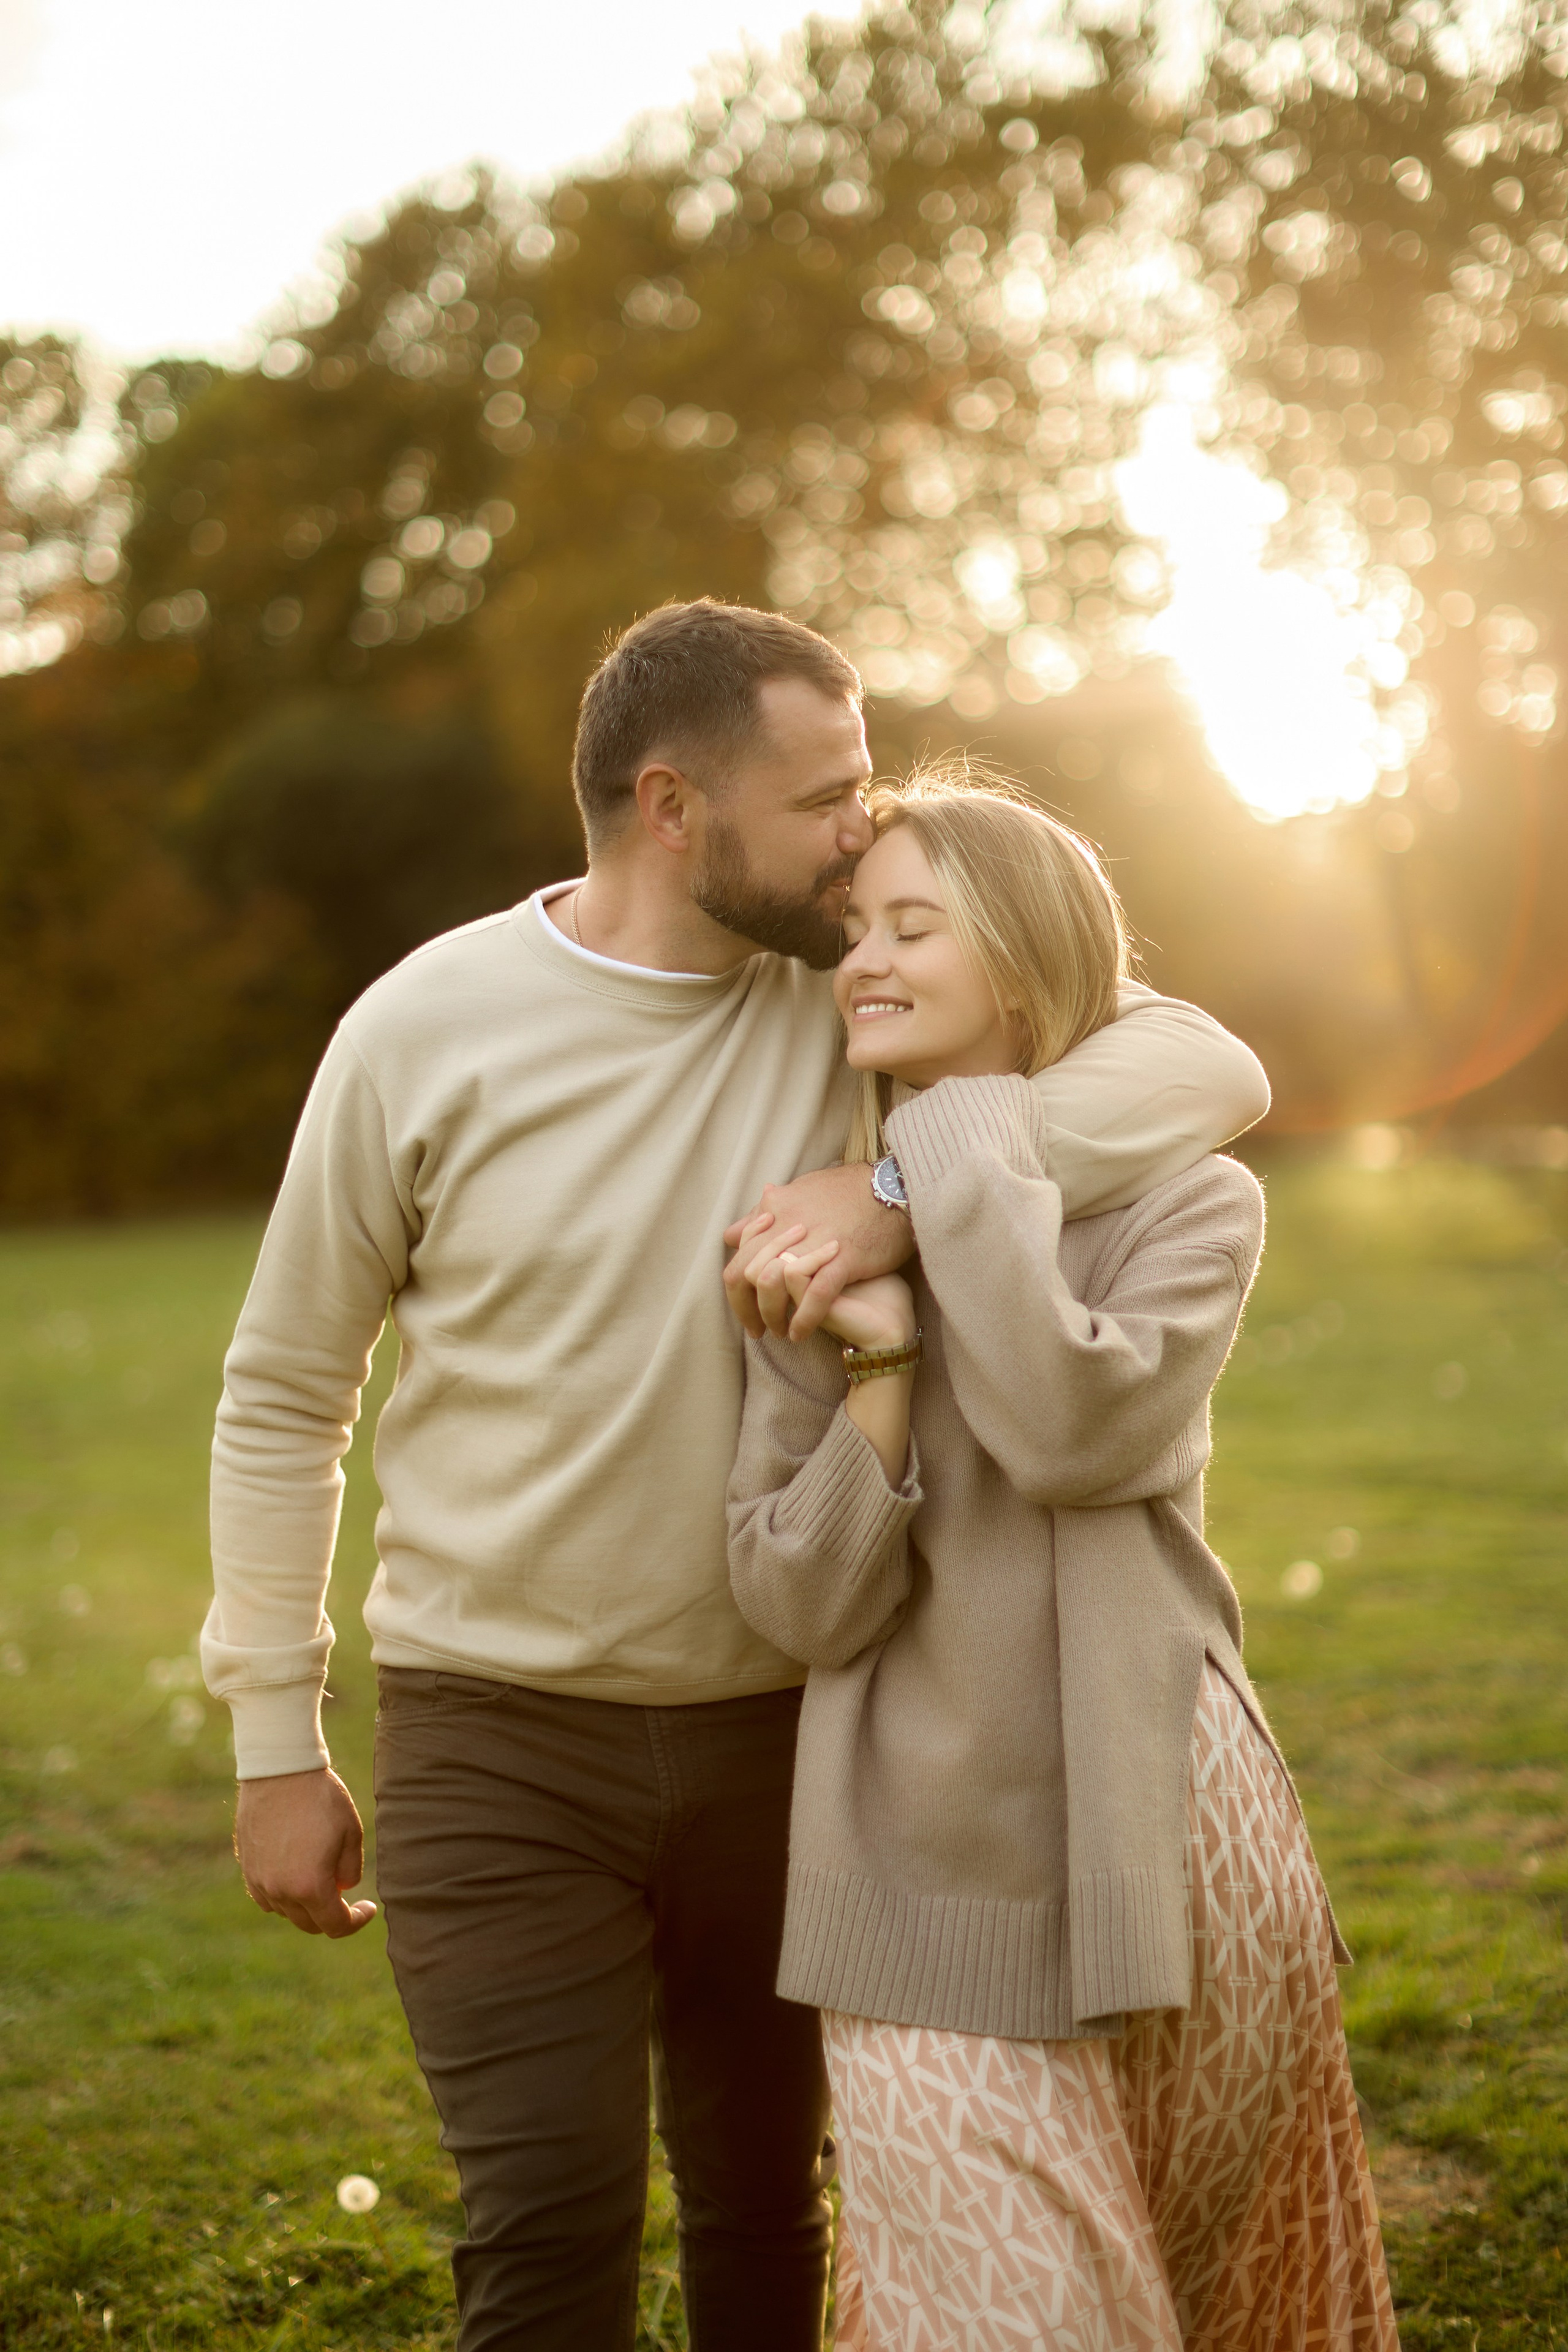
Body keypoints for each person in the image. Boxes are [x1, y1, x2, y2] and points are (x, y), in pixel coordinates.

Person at [202, 600, 1271, 2352]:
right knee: (547, 2224)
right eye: (828, 793)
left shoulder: (851, 991)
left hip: (800, 1730)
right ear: (673, 804)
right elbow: (282, 1389)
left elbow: (1204, 1066)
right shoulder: (423, 1026)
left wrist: (902, 1182)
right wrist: (272, 1735)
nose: (866, 829)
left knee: (766, 2224)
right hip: (495, 1733)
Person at [727, 772, 1397, 2352]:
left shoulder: (1192, 1207)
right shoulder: (803, 1242)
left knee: (1220, 2300)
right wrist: (879, 1382)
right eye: (857, 931)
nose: (866, 962)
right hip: (915, 1857)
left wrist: (930, 1160)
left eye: (915, 928)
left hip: (1159, 1826)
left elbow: (1068, 1432)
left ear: (1022, 966)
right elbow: (798, 1597)